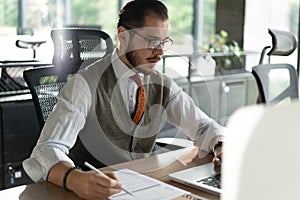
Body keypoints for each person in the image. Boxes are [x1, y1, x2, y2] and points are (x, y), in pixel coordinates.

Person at [23, 0, 225, 199]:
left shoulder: (162, 84)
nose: (160, 52)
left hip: (142, 187)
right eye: (152, 41)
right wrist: (75, 179)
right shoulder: (84, 84)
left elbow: (203, 126)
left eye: (164, 42)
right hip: (88, 193)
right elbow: (47, 149)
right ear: (123, 36)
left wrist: (220, 147)